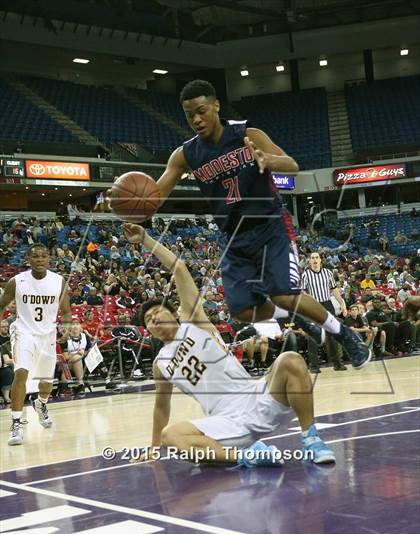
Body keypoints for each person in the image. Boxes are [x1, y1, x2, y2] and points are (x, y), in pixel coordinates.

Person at [108, 79, 370, 371]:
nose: (196, 119)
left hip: (270, 226)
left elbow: (292, 165)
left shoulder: (248, 134)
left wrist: (267, 158)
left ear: (216, 106)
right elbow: (153, 199)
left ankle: (343, 334)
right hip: (232, 235)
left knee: (282, 292)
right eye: (189, 114)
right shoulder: (184, 155)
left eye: (202, 111)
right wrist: (126, 208)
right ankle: (292, 316)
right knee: (242, 310)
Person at [124, 222, 335, 466]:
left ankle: (311, 438)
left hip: (255, 397)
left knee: (291, 360)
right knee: (172, 436)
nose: (153, 319)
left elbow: (179, 268)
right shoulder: (160, 364)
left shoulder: (194, 322)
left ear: (174, 313)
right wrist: (153, 448)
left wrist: (146, 240)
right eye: (148, 320)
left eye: (157, 312)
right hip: (223, 420)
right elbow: (161, 407)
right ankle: (249, 455)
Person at [0, 243, 71, 445]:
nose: (40, 259)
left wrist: (66, 326)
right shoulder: (17, 281)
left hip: (47, 335)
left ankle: (40, 403)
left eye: (43, 256)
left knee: (46, 383)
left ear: (49, 259)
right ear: (28, 260)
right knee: (21, 372)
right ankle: (16, 424)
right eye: (35, 256)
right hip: (23, 332)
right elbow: (1, 305)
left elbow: (65, 311)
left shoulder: (58, 281)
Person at [302, 252, 347, 373]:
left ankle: (337, 363)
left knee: (332, 335)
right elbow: (303, 293)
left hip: (327, 304)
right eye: (312, 258)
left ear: (320, 260)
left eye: (317, 257)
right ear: (309, 261)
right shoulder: (306, 274)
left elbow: (334, 290)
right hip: (313, 305)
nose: (315, 260)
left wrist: (342, 304)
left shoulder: (328, 272)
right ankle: (313, 365)